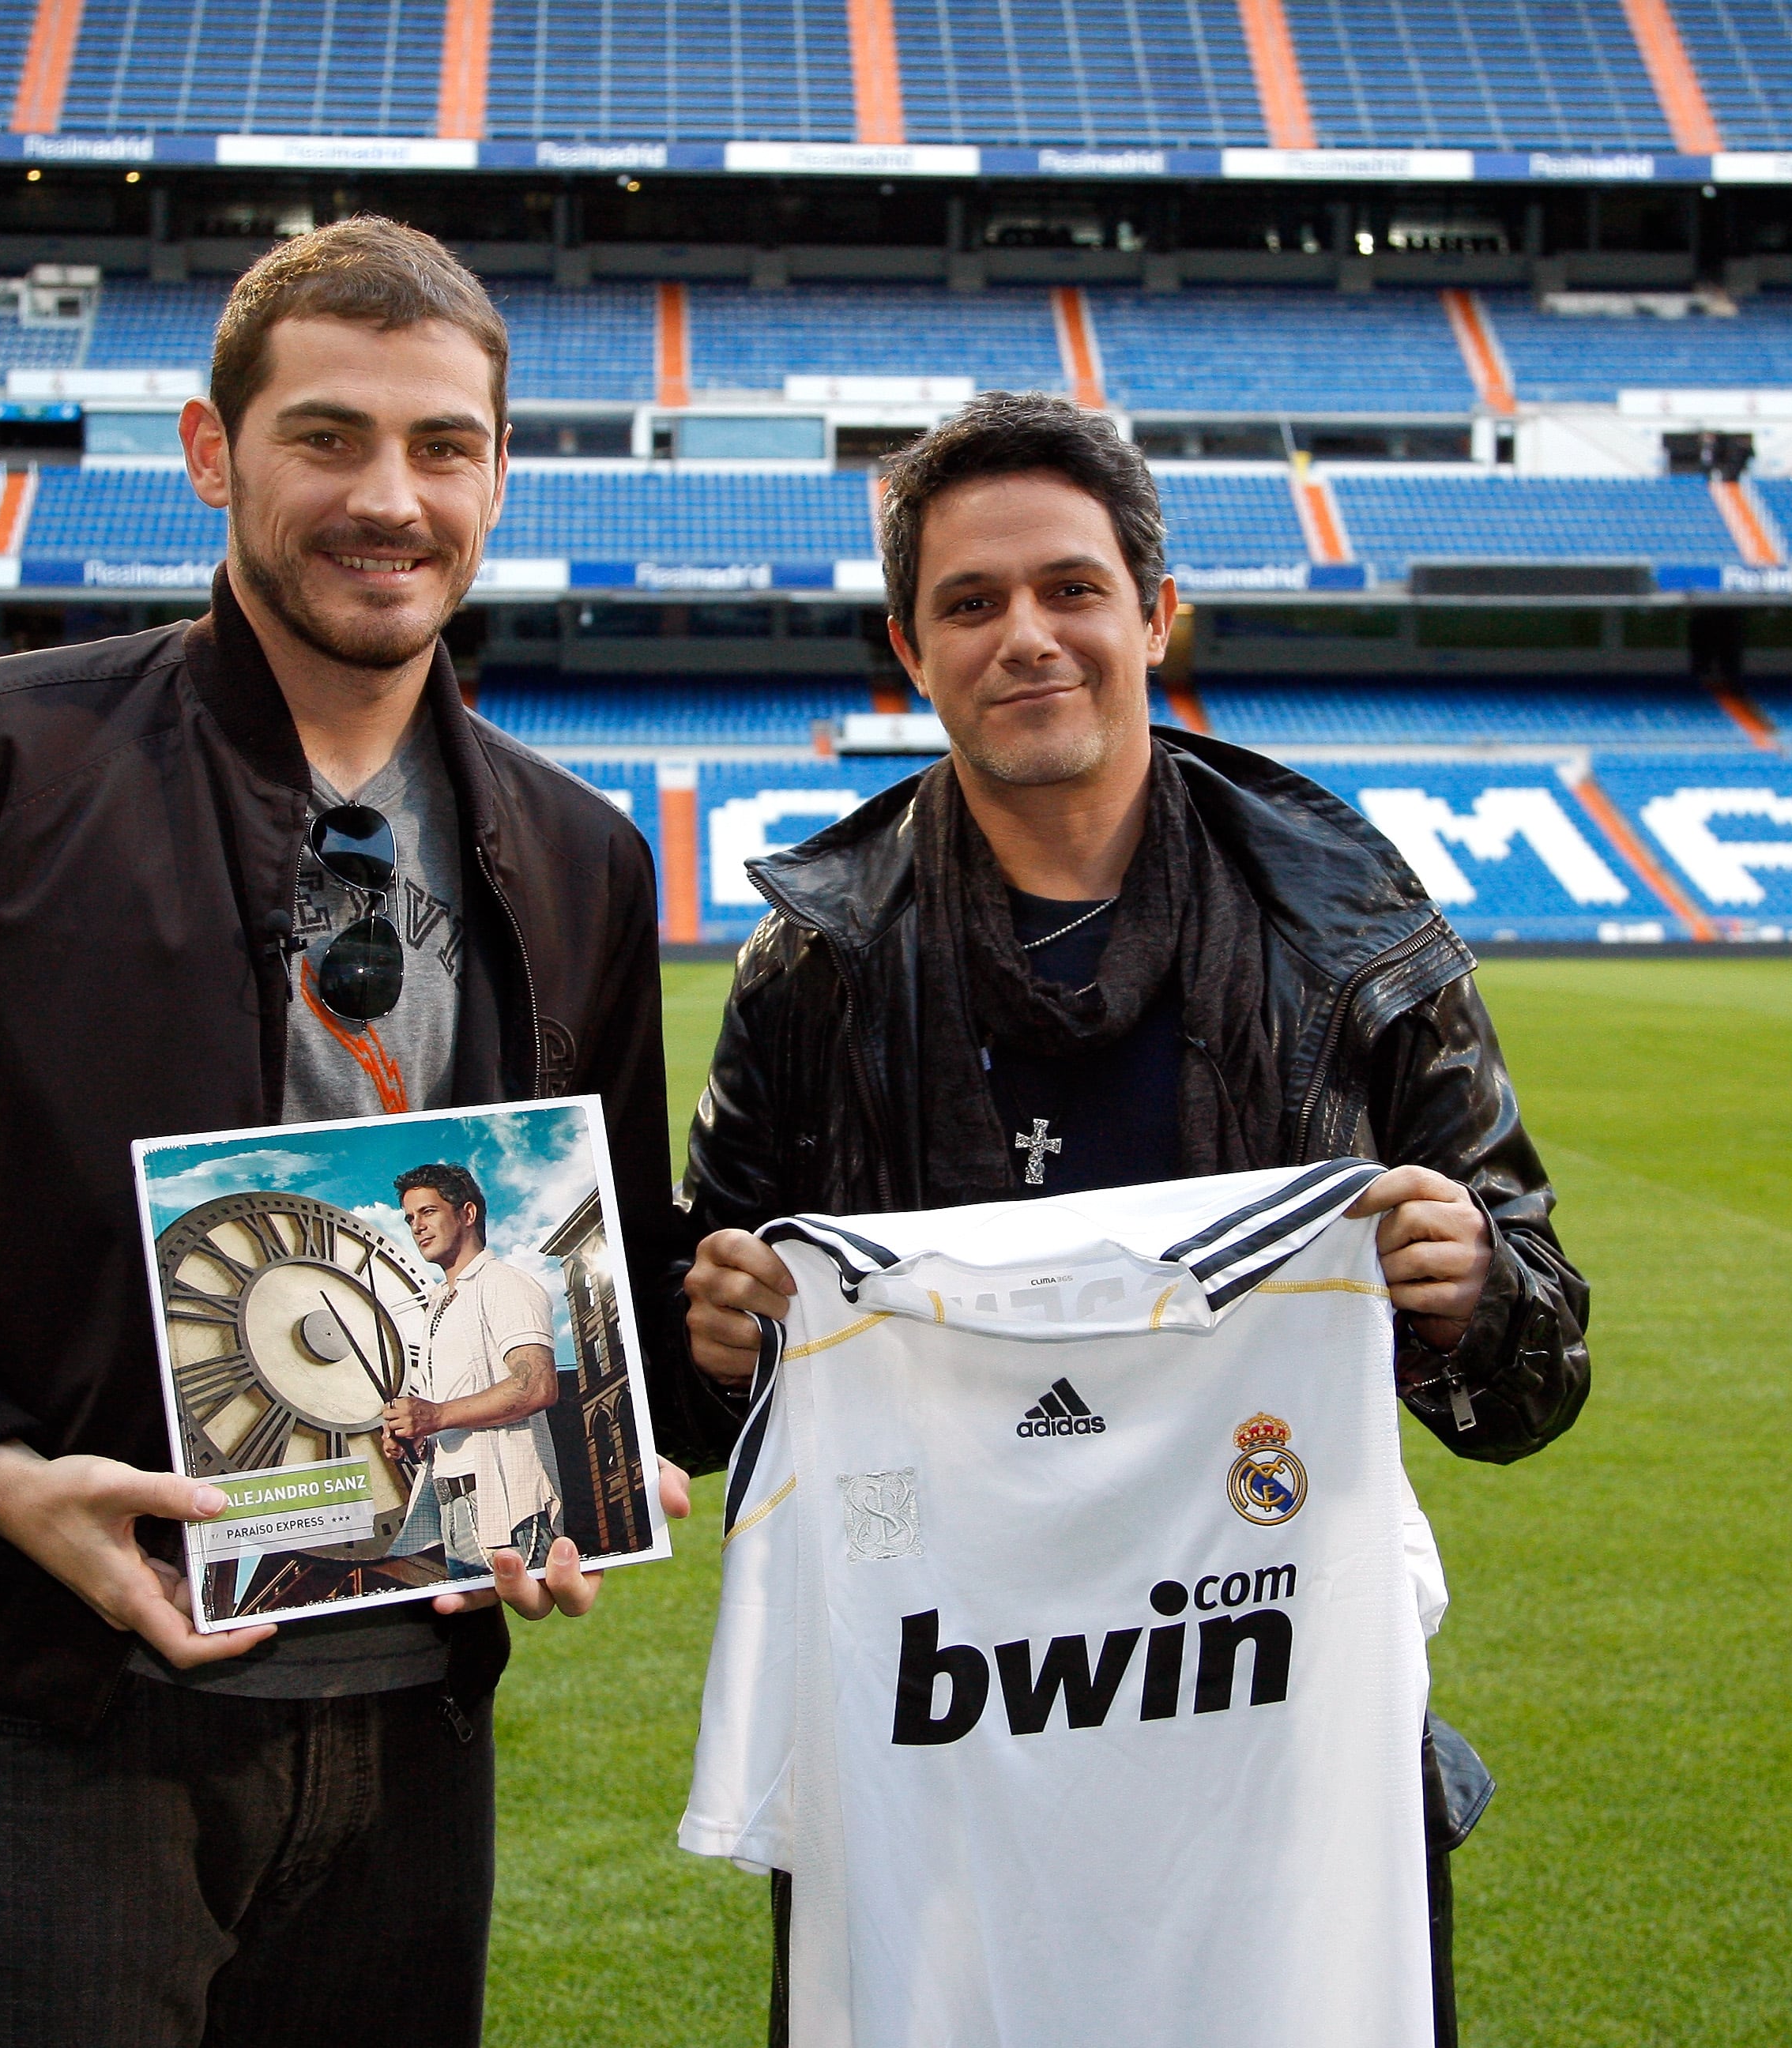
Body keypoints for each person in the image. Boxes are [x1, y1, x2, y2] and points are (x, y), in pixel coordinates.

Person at [0, 216, 732, 2048]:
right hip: (62, 1724)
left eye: (441, 447)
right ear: (211, 451)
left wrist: (640, 1406)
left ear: (496, 473)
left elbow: (598, 1244)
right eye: (327, 435)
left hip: (414, 1733)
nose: (387, 497)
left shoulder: (576, 854)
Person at [677, 390, 1591, 2046]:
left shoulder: (1354, 933)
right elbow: (698, 1375)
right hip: (931, 1766)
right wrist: (717, 1326)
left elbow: (1539, 1371)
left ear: (1152, 615)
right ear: (910, 648)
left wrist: (1467, 1294)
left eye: (1071, 590)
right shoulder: (815, 966)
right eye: (971, 603)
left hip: (1276, 1759)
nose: (1026, 636)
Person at [382, 1161, 564, 1573]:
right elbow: (449, 1417)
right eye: (410, 1218)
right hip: (451, 1504)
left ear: (467, 1214)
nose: (416, 1227)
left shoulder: (503, 1283)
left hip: (504, 1506)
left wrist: (436, 1414)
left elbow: (536, 1386)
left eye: (428, 1212)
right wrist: (413, 1434)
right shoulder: (437, 1304)